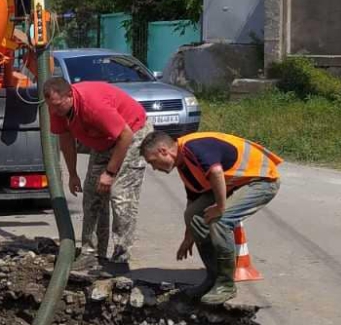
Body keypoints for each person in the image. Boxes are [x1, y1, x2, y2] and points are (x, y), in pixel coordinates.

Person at [139, 130, 283, 305]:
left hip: (260, 179)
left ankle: (226, 285)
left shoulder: (194, 147)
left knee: (220, 220)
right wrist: (188, 236)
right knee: (193, 214)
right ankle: (213, 278)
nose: (154, 168)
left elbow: (215, 172)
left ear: (163, 151)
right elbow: (193, 204)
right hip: (233, 183)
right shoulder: (185, 167)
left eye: (152, 162)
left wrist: (220, 207)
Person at [43, 77, 152, 270]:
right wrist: (73, 173)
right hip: (103, 141)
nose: (54, 111)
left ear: (70, 95)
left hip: (133, 134)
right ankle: (91, 254)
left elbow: (125, 135)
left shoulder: (92, 105)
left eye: (58, 106)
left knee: (120, 196)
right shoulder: (58, 109)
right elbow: (66, 139)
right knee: (93, 194)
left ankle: (121, 257)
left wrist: (110, 173)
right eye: (51, 107)